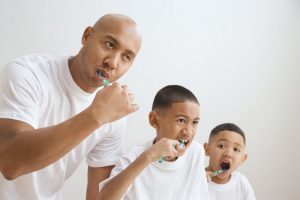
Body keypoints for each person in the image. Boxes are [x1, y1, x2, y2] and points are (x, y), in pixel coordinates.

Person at [0, 13, 142, 200]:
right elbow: (10, 164)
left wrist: (147, 157)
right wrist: (96, 115)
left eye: (126, 57)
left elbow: (98, 195)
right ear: (87, 36)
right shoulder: (27, 74)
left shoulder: (114, 112)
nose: (113, 63)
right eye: (109, 44)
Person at [98, 85, 210, 200]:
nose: (189, 132)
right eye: (181, 120)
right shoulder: (132, 159)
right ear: (155, 120)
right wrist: (149, 156)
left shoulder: (196, 152)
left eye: (195, 122)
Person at [204, 123, 256, 200]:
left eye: (236, 149)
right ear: (207, 149)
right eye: (221, 146)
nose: (228, 154)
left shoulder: (242, 183)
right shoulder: (195, 179)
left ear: (243, 159)